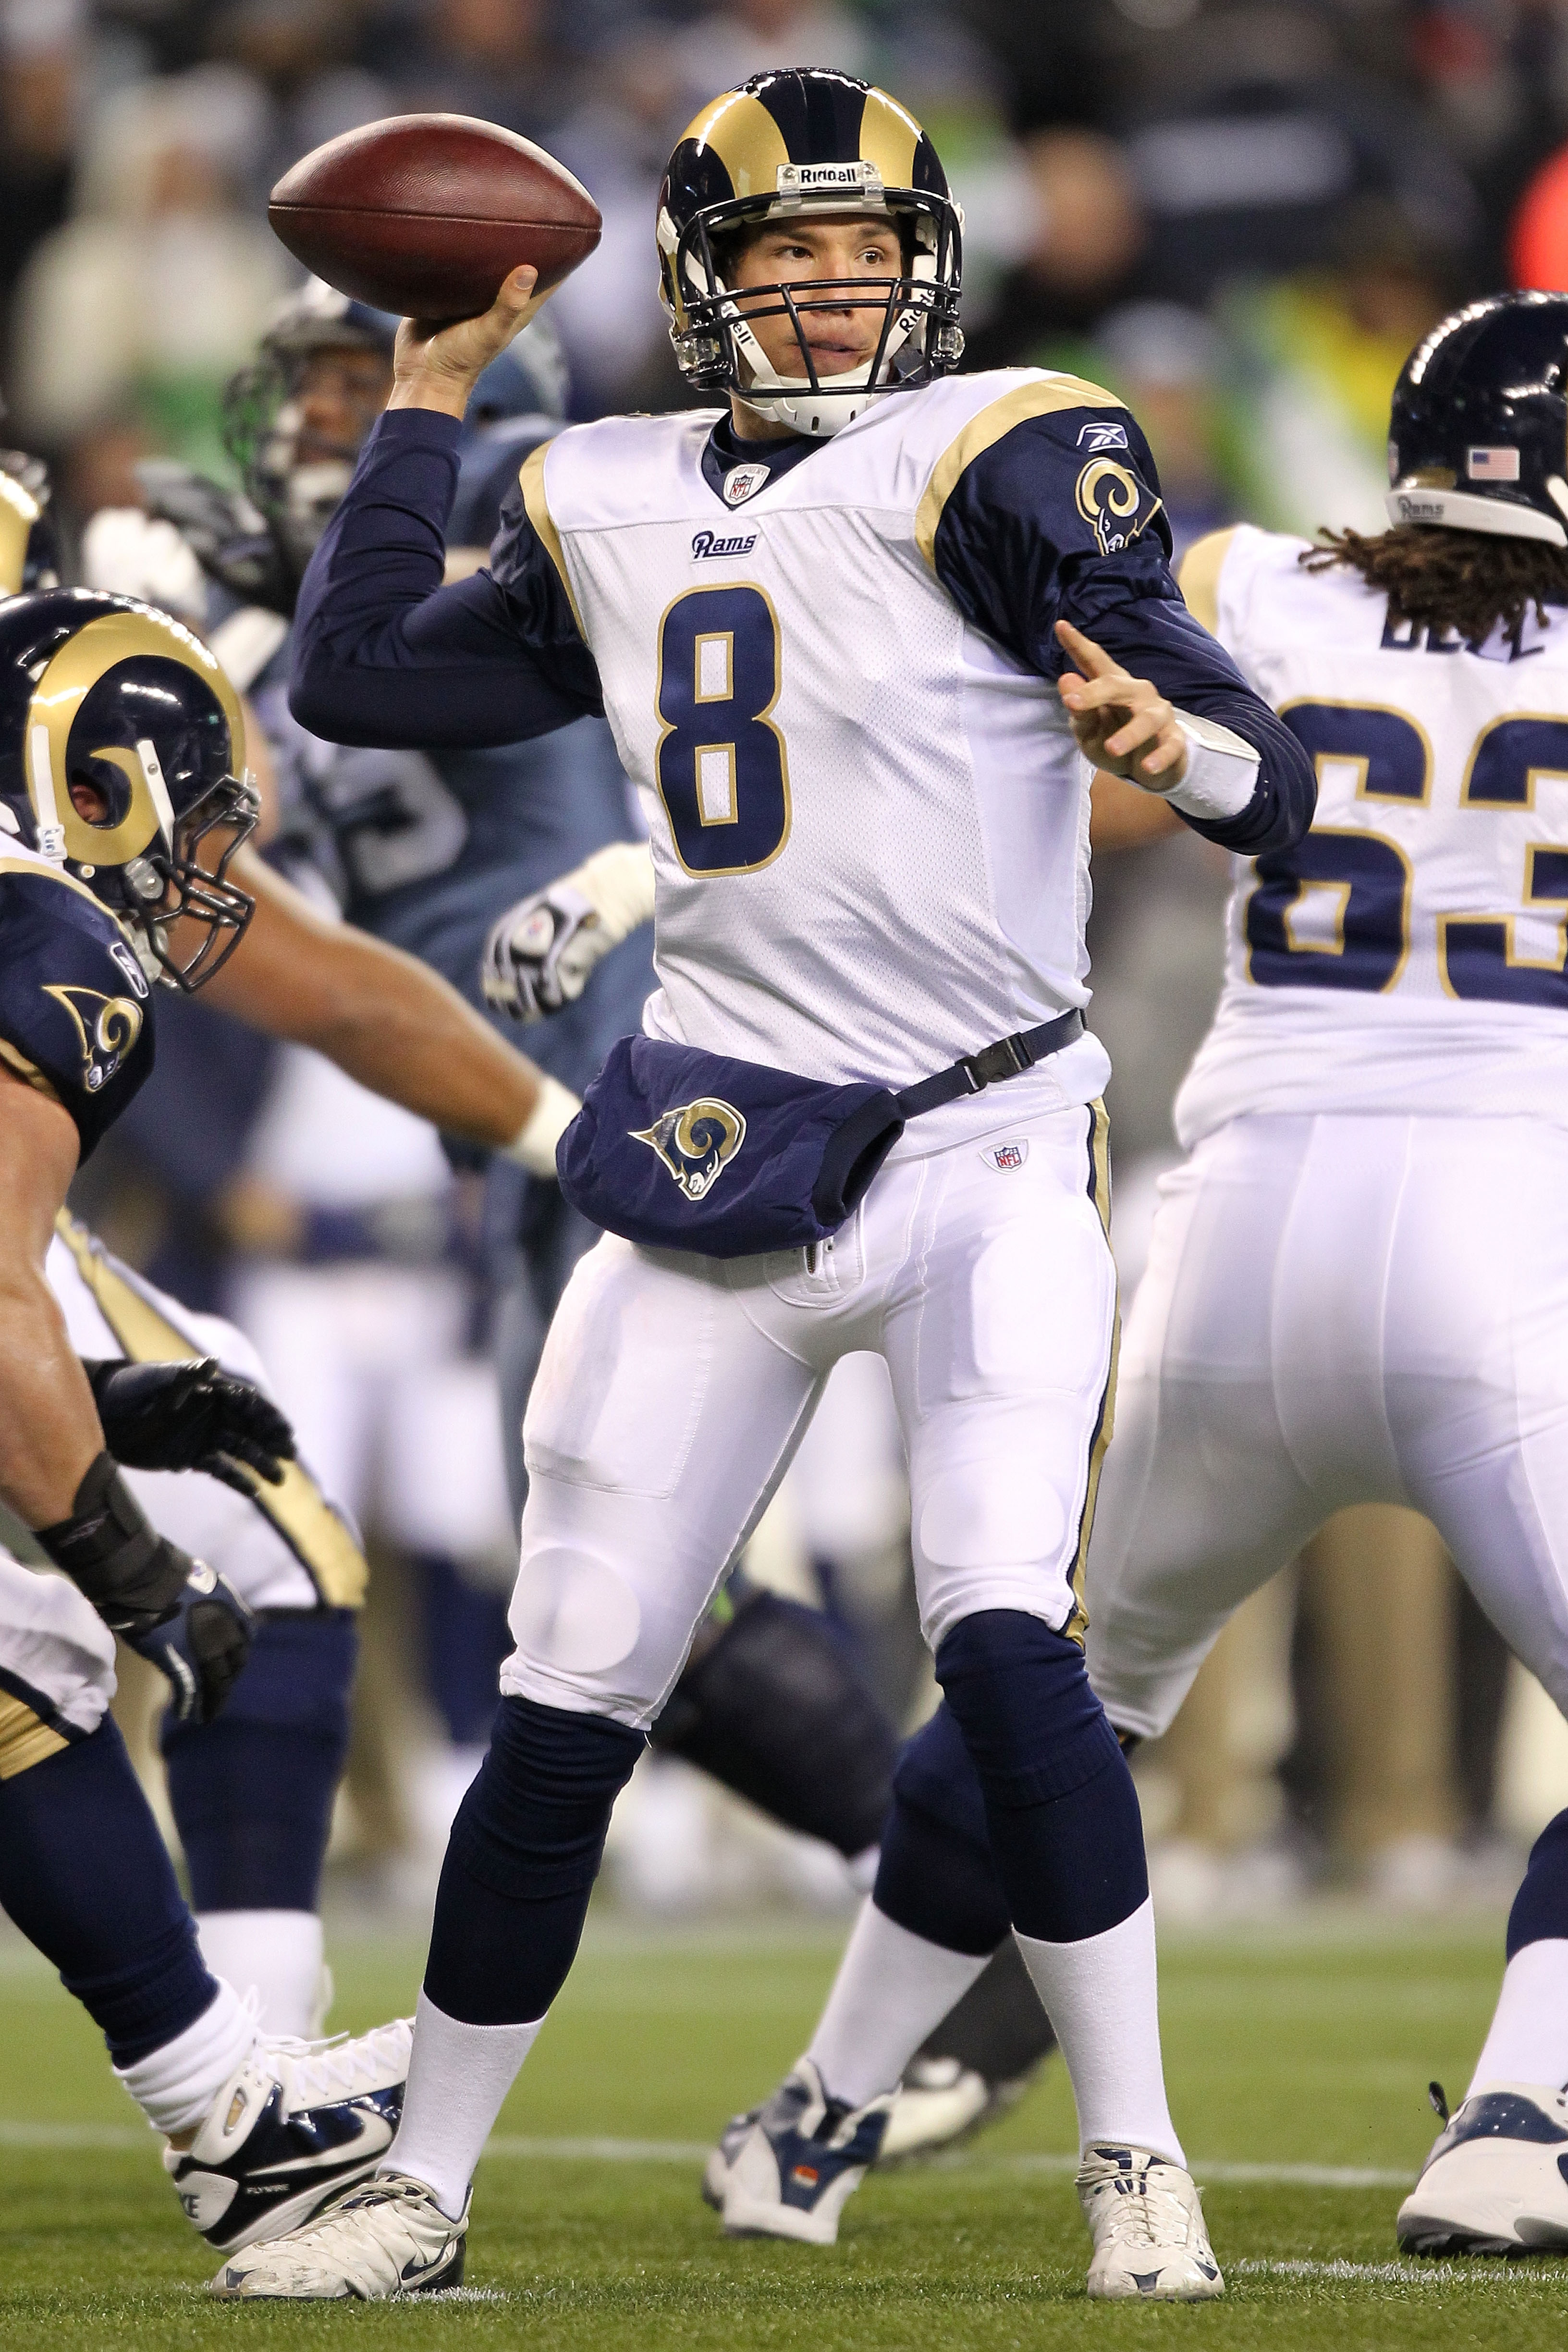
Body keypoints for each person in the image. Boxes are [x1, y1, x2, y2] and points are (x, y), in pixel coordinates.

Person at [210, 68, 1314, 2303]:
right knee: (573, 1677)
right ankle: (419, 2187)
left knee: (1002, 1626)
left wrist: (1166, 747)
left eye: (862, 255)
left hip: (989, 1131)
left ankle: (1138, 2164)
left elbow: (1257, 772)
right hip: (722, 1144)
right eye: (780, 260)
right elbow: (353, 672)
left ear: (929, 274)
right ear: (706, 286)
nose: (827, 296)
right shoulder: (599, 484)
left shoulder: (1007, 444)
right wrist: (427, 391)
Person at [107, 278, 1062, 2146]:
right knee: (622, 1586)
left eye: (349, 389)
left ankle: (974, 1924)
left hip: (606, 1087)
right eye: (311, 388)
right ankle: (962, 1916)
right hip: (516, 1100)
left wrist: (193, 643)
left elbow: (345, 703)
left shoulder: (545, 510)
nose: (320, 426)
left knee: (636, 1584)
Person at [723, 286, 1568, 2262]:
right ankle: (1524, 2117)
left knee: (1063, 1701)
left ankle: (829, 2110)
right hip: (1511, 1253)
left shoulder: (1252, 576)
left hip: (1234, 1230)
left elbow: (1057, 788)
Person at [0, 576, 576, 2250]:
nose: (199, 877)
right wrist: (127, 1567)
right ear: (84, 784)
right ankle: (229, 2103)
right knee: (33, 1648)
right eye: (185, 827)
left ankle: (228, 2094)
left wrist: (95, 1396)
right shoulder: (43, 927)